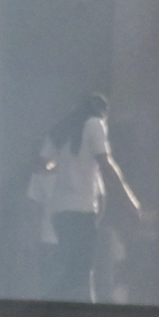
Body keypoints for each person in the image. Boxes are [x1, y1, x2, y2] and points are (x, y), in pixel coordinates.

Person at [28, 94, 134, 303]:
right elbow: (107, 165)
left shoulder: (62, 129)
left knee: (78, 270)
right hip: (82, 211)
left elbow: (39, 165)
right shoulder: (95, 124)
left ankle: (64, 305)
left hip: (60, 213)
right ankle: (49, 302)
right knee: (81, 272)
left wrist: (59, 167)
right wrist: (130, 201)